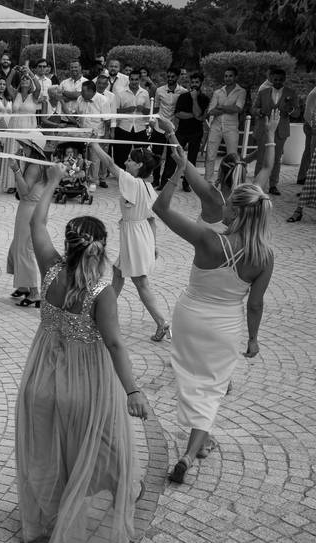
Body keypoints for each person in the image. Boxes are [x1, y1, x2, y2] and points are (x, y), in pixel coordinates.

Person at [17, 162, 149, 543]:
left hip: (41, 378)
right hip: (84, 383)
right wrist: (133, 390)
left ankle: (49, 508)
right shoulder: (101, 291)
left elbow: (34, 226)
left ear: (69, 243)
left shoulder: (49, 267)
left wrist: (54, 181)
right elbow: (115, 344)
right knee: (101, 443)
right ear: (101, 247)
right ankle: (120, 488)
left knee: (53, 446)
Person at [154, 148, 274, 485]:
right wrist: (252, 338)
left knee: (192, 382)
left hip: (189, 317)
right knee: (212, 388)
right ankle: (192, 451)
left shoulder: (207, 238)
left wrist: (177, 173)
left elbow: (160, 208)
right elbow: (255, 304)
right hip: (225, 326)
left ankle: (199, 442)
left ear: (233, 211)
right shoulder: (264, 255)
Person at [90, 141, 171, 341]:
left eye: (130, 160)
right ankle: (101, 315)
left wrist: (94, 144)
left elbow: (109, 163)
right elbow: (152, 219)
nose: (126, 162)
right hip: (140, 234)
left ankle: (163, 322)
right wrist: (153, 244)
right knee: (118, 273)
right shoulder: (149, 187)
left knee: (141, 282)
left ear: (139, 165)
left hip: (135, 236)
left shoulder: (132, 183)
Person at [6, 135, 50, 307]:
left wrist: (16, 169)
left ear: (34, 149)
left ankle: (34, 293)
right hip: (33, 208)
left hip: (29, 209)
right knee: (19, 244)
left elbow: (24, 192)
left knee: (24, 248)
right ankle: (24, 286)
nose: (23, 149)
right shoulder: (39, 164)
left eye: (26, 146)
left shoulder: (33, 167)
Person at [251, 68, 298, 196]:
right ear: (271, 79)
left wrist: (290, 110)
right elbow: (253, 108)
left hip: (280, 131)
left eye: (280, 80)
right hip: (264, 129)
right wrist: (259, 112)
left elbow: (297, 113)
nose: (277, 82)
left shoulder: (291, 93)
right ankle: (257, 184)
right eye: (275, 79)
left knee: (276, 159)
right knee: (261, 157)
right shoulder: (263, 92)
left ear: (284, 79)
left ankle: (273, 185)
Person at [204, 68, 246, 184]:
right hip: (216, 126)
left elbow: (238, 108)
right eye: (226, 76)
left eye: (230, 76)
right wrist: (228, 108)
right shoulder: (218, 92)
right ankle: (208, 180)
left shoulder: (241, 91)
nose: (227, 78)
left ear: (235, 77)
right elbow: (211, 111)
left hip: (231, 127)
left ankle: (230, 181)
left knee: (232, 155)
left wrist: (221, 107)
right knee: (210, 154)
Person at [3, 73, 41, 195]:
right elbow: (7, 84)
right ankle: (11, 184)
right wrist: (13, 71)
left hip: (28, 129)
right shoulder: (15, 94)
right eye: (23, 78)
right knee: (13, 154)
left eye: (27, 79)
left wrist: (30, 73)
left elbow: (39, 87)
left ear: (31, 83)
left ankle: (26, 183)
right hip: (14, 128)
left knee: (26, 155)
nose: (25, 80)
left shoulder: (34, 95)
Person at [174, 72, 210, 192]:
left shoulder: (204, 99)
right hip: (182, 131)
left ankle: (187, 183)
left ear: (201, 83)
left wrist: (194, 99)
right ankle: (167, 180)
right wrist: (194, 115)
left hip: (196, 132)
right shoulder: (183, 97)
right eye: (192, 82)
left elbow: (201, 117)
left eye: (197, 82)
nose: (194, 85)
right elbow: (178, 114)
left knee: (192, 159)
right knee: (174, 156)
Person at [152, 68, 186, 188]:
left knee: (172, 157)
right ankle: (155, 179)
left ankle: (165, 182)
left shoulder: (183, 92)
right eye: (169, 76)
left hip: (174, 129)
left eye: (173, 76)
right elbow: (156, 108)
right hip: (159, 127)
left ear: (178, 77)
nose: (170, 79)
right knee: (156, 155)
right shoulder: (159, 90)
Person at [114, 70, 150, 169]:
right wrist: (127, 109)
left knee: (141, 154)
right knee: (121, 154)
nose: (134, 82)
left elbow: (148, 111)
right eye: (132, 79)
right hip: (124, 127)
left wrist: (143, 109)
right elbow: (115, 110)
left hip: (140, 127)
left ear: (139, 80)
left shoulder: (145, 93)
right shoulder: (120, 93)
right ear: (129, 80)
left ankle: (139, 174)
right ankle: (121, 174)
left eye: (136, 79)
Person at [290, 88, 316, 222]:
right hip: (314, 131)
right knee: (312, 172)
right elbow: (308, 116)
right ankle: (299, 209)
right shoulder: (314, 93)